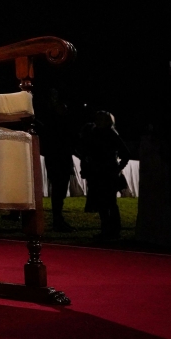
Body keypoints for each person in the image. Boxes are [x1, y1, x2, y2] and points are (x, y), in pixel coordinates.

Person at [79, 110, 131, 240]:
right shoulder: (93, 133)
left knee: (110, 202)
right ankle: (106, 230)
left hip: (107, 173)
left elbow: (125, 153)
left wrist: (117, 168)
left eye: (100, 119)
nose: (97, 121)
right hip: (97, 173)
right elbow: (87, 151)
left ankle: (113, 230)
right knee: (102, 203)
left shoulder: (111, 134)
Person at [40, 89, 77, 232]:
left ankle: (58, 218)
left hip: (60, 159)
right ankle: (57, 219)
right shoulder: (56, 126)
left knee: (60, 191)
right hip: (57, 160)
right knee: (58, 190)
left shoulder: (59, 125)